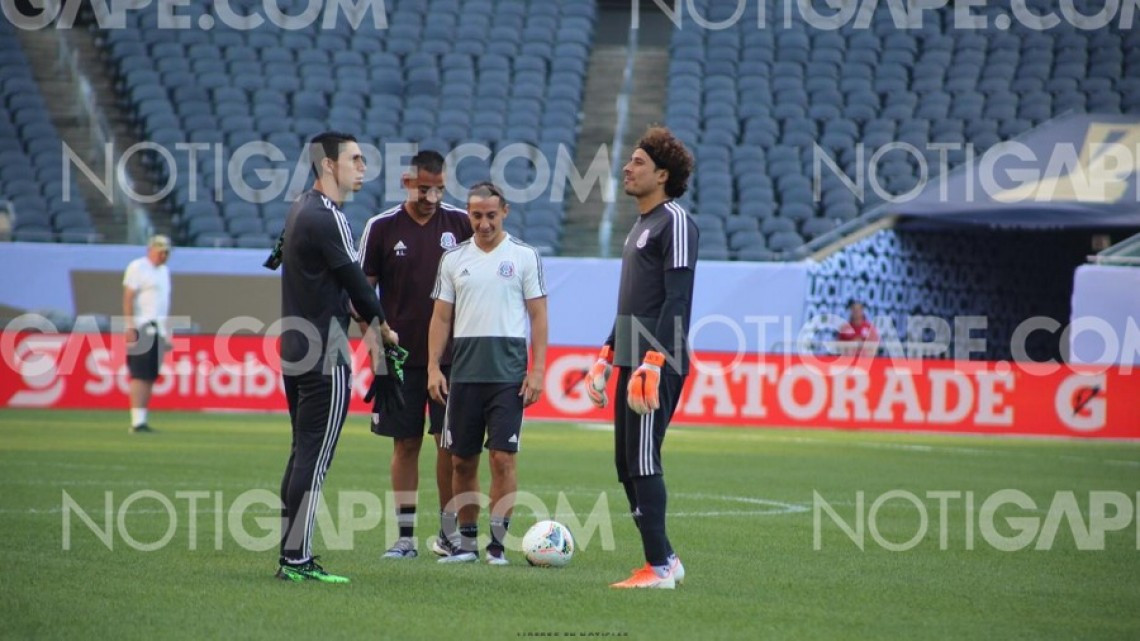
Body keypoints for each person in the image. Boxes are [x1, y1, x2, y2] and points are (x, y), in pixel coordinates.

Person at [274, 131, 400, 583]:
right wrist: (383, 327)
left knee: (301, 452)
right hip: (325, 352)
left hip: (295, 346)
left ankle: (291, 555)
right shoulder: (329, 216)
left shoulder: (299, 209)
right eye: (355, 158)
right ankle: (297, 560)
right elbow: (358, 285)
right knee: (314, 456)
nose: (363, 166)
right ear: (328, 164)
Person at [584, 126, 697, 589]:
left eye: (638, 163)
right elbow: (631, 300)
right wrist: (607, 354)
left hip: (656, 362)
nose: (627, 169)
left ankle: (659, 568)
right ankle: (665, 558)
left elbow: (679, 299)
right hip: (632, 358)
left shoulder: (676, 221)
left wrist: (654, 360)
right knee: (626, 464)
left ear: (663, 175)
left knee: (645, 459)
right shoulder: (640, 225)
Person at [357, 150, 473, 559]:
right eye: (424, 188)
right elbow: (359, 293)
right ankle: (405, 538)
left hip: (452, 359)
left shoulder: (460, 223)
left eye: (439, 188)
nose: (431, 196)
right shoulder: (382, 227)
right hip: (400, 358)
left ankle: (447, 534)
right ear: (407, 182)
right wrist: (375, 342)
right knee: (404, 444)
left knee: (448, 445)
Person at [427, 181, 548, 566]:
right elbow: (441, 317)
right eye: (476, 216)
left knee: (502, 459)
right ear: (468, 214)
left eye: (491, 216)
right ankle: (466, 545)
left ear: (505, 213)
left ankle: (497, 546)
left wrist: (538, 369)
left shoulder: (525, 257)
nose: (483, 224)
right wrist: (433, 366)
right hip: (462, 374)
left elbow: (538, 315)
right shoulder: (453, 259)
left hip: (508, 376)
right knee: (461, 461)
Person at [122, 234, 172, 434]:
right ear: (151, 249)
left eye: (166, 252)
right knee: (139, 375)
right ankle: (136, 421)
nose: (164, 256)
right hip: (143, 326)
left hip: (158, 328)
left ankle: (142, 419)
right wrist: (130, 326)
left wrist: (166, 332)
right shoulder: (138, 267)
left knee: (150, 375)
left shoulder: (164, 271)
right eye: (161, 252)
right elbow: (128, 297)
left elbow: (163, 304)